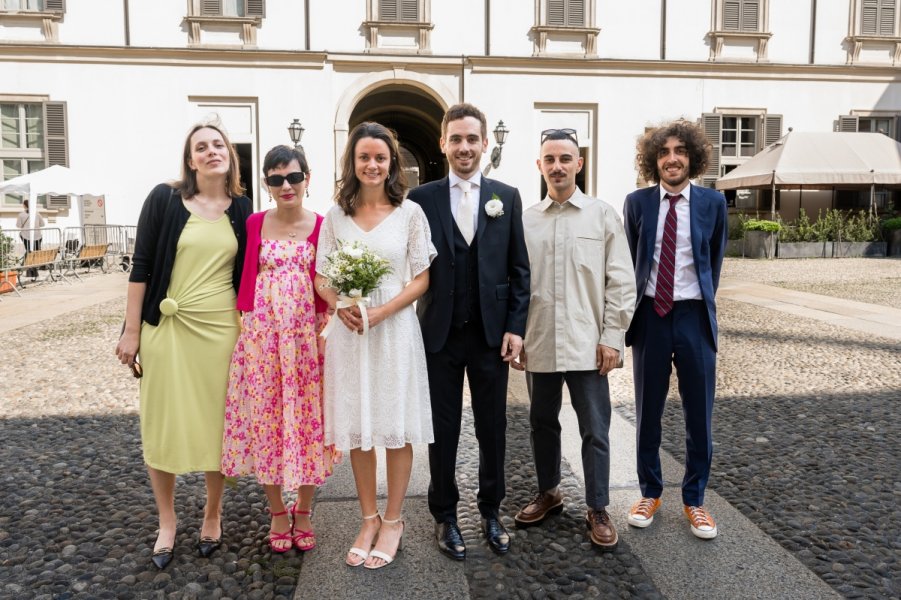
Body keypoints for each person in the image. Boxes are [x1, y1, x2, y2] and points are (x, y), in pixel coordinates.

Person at [115, 120, 252, 569]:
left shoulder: (242, 209)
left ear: (229, 153)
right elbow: (142, 266)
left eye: (218, 144)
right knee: (162, 424)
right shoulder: (164, 199)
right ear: (190, 159)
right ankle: (168, 521)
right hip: (167, 330)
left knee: (219, 425)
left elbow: (251, 274)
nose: (211, 151)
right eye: (201, 147)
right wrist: (131, 330)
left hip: (220, 332)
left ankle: (213, 513)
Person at [408, 103, 530, 560]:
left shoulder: (507, 197)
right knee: (442, 430)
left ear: (484, 143)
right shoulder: (421, 199)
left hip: (491, 336)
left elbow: (520, 270)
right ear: (443, 143)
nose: (464, 147)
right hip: (438, 334)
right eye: (456, 139)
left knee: (492, 427)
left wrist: (516, 328)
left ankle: (491, 511)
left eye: (472, 139)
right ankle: (444, 515)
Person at [314, 122, 435, 570]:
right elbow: (322, 275)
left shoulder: (410, 213)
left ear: (392, 163)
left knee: (394, 424)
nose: (372, 164)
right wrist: (338, 303)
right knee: (359, 425)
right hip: (350, 330)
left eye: (380, 158)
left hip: (394, 327)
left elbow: (422, 276)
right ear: (353, 162)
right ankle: (367, 518)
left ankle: (394, 520)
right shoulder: (335, 217)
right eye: (364, 157)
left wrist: (384, 311)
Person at [511, 128, 636, 551]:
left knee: (595, 428)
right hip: (540, 340)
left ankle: (598, 506)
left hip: (588, 344)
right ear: (540, 165)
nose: (558, 166)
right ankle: (549, 492)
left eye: (566, 158)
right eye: (550, 159)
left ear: (579, 163)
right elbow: (516, 284)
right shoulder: (526, 220)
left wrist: (613, 338)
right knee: (541, 424)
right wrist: (518, 335)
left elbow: (620, 280)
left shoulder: (602, 215)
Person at [221, 145, 337, 553]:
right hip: (262, 340)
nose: (286, 186)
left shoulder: (324, 226)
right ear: (267, 185)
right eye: (275, 179)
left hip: (307, 341)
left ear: (308, 178)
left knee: (308, 423)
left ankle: (303, 509)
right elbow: (235, 275)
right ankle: (275, 511)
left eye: (293, 177)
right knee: (265, 420)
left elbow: (330, 282)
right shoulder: (253, 223)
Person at [622, 120, 727, 540]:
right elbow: (632, 260)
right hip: (650, 316)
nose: (671, 158)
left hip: (693, 318)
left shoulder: (712, 204)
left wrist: (697, 303)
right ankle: (650, 491)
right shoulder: (637, 203)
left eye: (680, 151)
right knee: (647, 410)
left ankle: (695, 500)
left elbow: (713, 263)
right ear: (653, 160)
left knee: (699, 414)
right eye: (663, 152)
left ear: (692, 158)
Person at [17, 199, 45, 278]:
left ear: (24, 205)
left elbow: (18, 225)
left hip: (26, 236)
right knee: (34, 252)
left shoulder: (21, 215)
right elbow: (42, 224)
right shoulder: (37, 214)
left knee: (29, 251)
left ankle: (27, 268)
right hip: (37, 236)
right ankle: (33, 270)